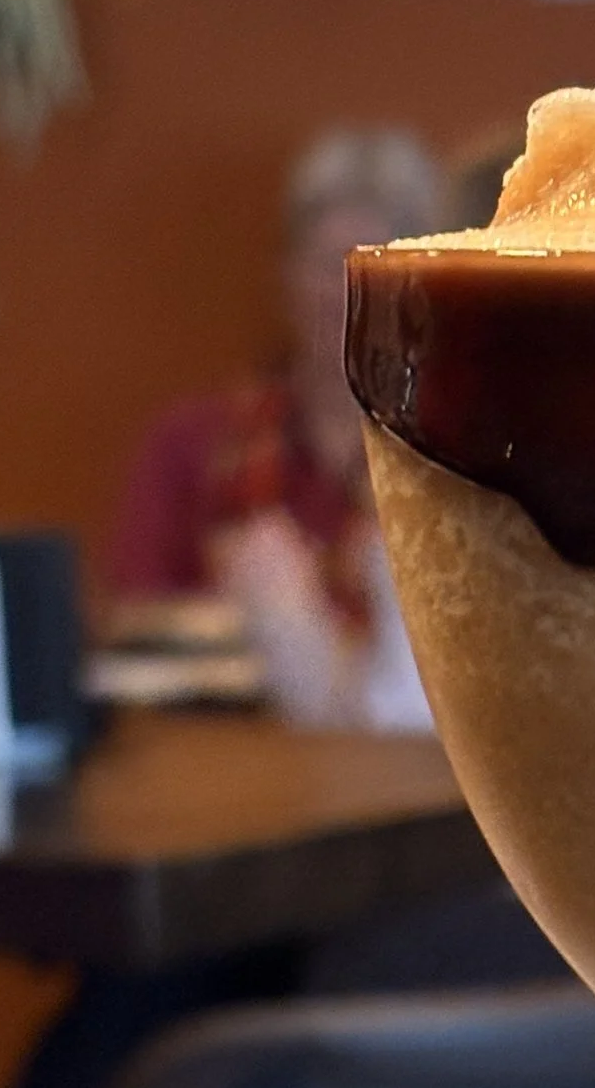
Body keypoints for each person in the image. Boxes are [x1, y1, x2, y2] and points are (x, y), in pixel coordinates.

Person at [109, 125, 450, 728]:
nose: (341, 292)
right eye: (324, 264)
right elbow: (138, 624)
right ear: (286, 276)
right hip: (231, 768)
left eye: (372, 263)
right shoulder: (191, 445)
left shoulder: (456, 461)